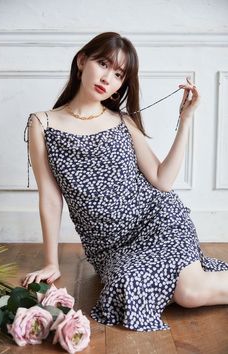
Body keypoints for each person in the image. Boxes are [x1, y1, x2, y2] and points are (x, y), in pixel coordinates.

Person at [22, 32, 228, 332]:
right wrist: (51, 262)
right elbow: (51, 199)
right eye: (103, 64)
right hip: (110, 247)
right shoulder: (42, 123)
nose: (107, 78)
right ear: (82, 61)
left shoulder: (122, 121)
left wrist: (185, 120)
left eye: (118, 74)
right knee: (128, 285)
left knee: (189, 293)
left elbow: (162, 180)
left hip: (157, 219)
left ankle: (192, 280)